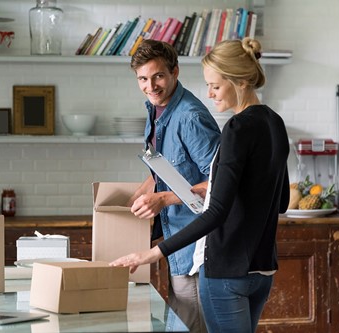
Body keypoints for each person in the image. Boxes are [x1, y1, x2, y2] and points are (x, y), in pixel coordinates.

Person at [111, 37, 290, 333]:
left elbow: (216, 211)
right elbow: (280, 200)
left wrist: (155, 252)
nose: (208, 94)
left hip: (225, 270)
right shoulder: (274, 122)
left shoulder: (235, 128)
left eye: (215, 86)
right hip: (262, 267)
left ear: (241, 81)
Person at [126, 39, 220, 333]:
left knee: (185, 327)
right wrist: (144, 191)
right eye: (143, 78)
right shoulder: (156, 109)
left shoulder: (191, 117)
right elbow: (165, 167)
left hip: (196, 247)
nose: (150, 85)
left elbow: (219, 184)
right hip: (174, 240)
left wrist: (164, 199)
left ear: (175, 72)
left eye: (158, 76)